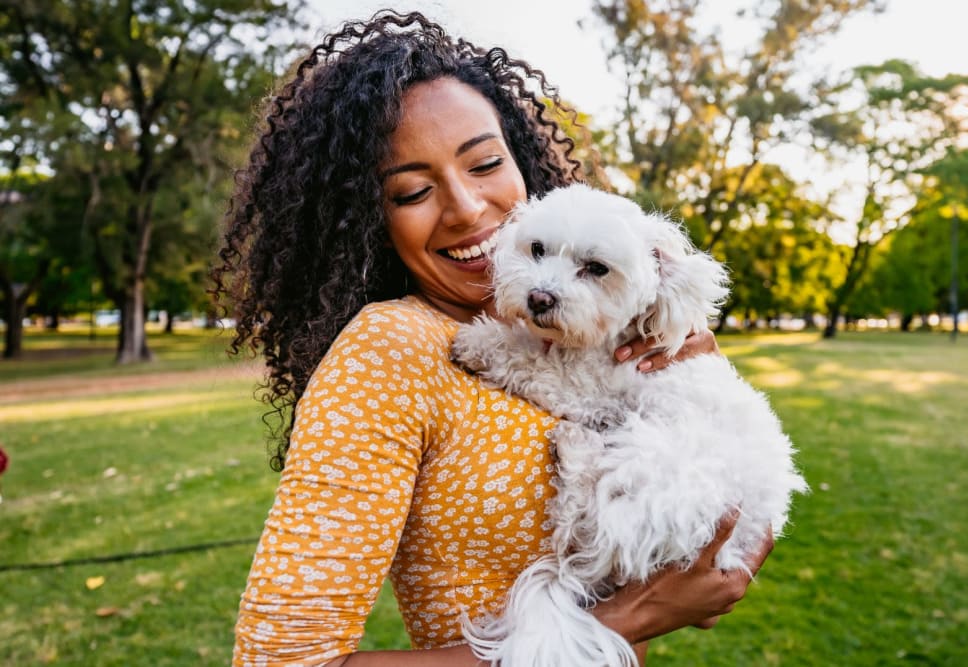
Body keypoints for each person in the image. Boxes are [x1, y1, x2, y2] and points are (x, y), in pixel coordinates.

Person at [213, 10, 772, 666]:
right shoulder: (389, 349)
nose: (467, 207)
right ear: (367, 217)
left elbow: (705, 557)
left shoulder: (591, 327)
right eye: (414, 190)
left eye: (484, 163)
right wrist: (632, 617)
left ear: (523, 160)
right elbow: (281, 659)